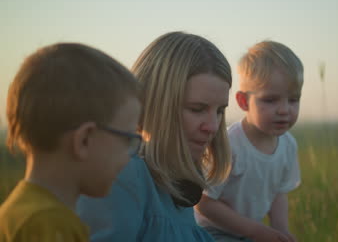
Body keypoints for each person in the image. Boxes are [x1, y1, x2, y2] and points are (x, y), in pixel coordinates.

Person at [77, 32, 232, 242]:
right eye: (197, 109)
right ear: (155, 103)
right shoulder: (122, 175)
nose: (213, 126)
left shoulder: (180, 178)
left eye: (220, 111)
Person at [0, 43, 142, 242]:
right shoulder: (51, 224)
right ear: (84, 140)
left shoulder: (17, 212)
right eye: (127, 139)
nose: (128, 158)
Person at [195, 40, 303, 242]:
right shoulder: (229, 144)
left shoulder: (288, 146)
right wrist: (255, 231)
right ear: (244, 101)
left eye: (293, 100)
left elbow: (278, 192)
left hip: (250, 234)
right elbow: (203, 202)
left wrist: (281, 231)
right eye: (270, 100)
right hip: (211, 233)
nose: (284, 110)